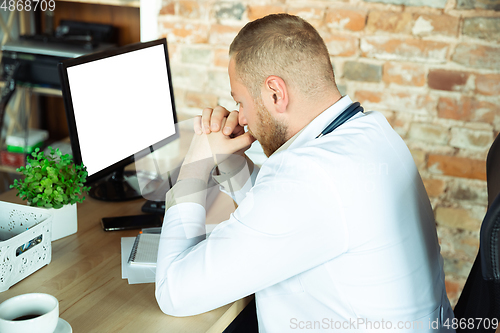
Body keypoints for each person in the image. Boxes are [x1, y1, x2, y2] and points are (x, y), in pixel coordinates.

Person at [155, 13, 455, 332]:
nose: (240, 117)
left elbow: (174, 292)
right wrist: (229, 160)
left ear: (275, 94)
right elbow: (277, 207)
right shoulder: (370, 131)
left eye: (240, 101)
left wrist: (194, 166)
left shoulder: (310, 175)